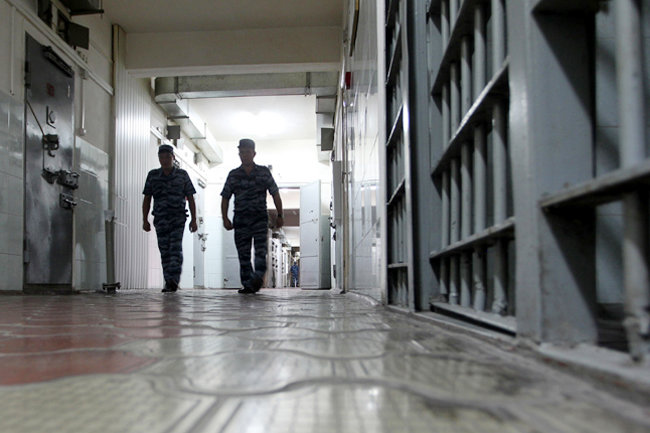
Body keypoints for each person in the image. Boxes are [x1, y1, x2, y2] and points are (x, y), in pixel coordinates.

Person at [221, 138, 284, 294]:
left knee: (261, 252)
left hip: (259, 219)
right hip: (241, 220)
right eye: (241, 152)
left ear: (254, 153)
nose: (244, 155)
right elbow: (225, 197)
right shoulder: (234, 175)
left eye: (247, 152)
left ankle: (257, 277)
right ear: (239, 154)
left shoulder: (263, 172)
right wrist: (225, 218)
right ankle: (248, 284)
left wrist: (280, 215)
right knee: (243, 254)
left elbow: (275, 193)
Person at [142, 144, 197, 292]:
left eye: (167, 157)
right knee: (164, 251)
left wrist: (194, 219)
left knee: (175, 249)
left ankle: (173, 281)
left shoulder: (182, 175)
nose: (165, 160)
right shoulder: (153, 175)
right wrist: (144, 219)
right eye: (161, 157)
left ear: (173, 158)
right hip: (160, 219)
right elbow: (147, 198)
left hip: (177, 219)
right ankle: (169, 280)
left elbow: (191, 198)